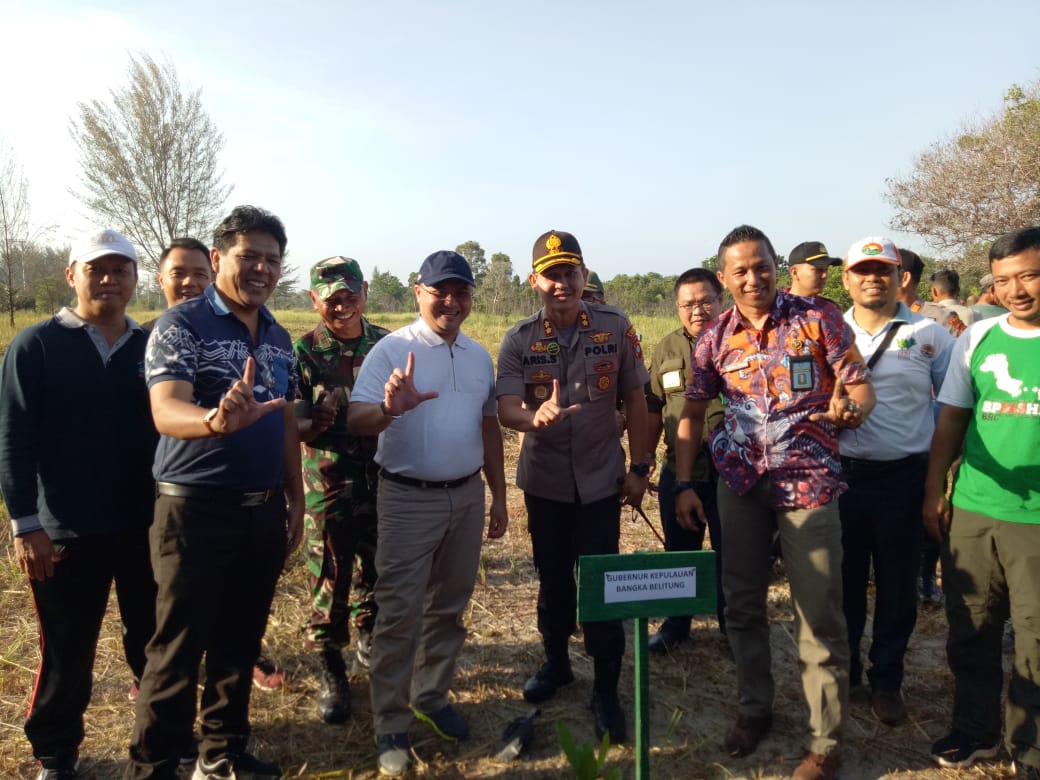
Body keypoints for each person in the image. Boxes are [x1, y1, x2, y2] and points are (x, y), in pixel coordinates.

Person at [675, 224, 875, 780]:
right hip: (741, 484)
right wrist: (684, 482)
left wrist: (851, 410)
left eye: (761, 266)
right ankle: (753, 708)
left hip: (808, 484)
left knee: (819, 613)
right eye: (739, 270)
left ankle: (824, 741)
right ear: (724, 278)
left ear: (775, 266)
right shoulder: (714, 338)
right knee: (742, 605)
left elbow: (860, 388)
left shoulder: (818, 318)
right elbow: (692, 415)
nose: (752, 278)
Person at [126, 205, 304, 780]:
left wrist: (296, 497)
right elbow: (165, 409)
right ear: (218, 257)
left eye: (272, 259)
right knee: (176, 649)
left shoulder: (278, 335)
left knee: (240, 640)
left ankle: (221, 755)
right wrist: (213, 421)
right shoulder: (181, 325)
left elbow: (284, 420)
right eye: (249, 257)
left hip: (261, 509)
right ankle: (155, 767)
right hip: (193, 509)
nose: (261, 269)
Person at [0, 230, 158, 780]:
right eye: (96, 269)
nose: (109, 279)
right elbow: (14, 439)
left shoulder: (151, 347)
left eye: (121, 269)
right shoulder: (36, 345)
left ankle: (161, 739)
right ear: (72, 275)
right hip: (65, 529)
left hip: (144, 526)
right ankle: (56, 753)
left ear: (136, 278)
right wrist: (25, 523)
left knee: (153, 641)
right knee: (67, 650)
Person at [347, 250, 508, 777]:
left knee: (450, 608)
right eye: (441, 291)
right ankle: (390, 722)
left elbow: (488, 427)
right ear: (419, 292)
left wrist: (498, 495)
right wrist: (388, 409)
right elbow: (356, 419)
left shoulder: (478, 356)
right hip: (407, 498)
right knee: (399, 613)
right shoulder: (393, 349)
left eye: (462, 292)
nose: (452, 301)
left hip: (466, 496)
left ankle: (431, 696)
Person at [497, 229, 650, 745]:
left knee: (601, 584)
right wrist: (531, 417)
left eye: (570, 272)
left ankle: (605, 688)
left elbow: (636, 399)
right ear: (533, 281)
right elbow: (507, 406)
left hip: (602, 481)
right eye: (551, 275)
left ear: (584, 276)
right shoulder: (518, 339)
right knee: (554, 579)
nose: (561, 283)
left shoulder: (615, 326)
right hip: (545, 484)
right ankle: (557, 663)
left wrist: (640, 468)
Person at [924, 226, 1040, 776]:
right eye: (1003, 280)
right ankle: (976, 731)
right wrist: (935, 491)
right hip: (974, 507)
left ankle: (1030, 747)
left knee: (1035, 636)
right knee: (971, 625)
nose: (1017, 290)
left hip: (1034, 520)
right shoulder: (978, 338)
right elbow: (951, 419)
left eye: (1030, 276)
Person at [837, 237, 954, 726]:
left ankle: (887, 679)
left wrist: (938, 482)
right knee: (842, 583)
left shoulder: (932, 334)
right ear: (846, 278)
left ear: (899, 276)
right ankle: (846, 675)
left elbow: (952, 408)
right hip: (841, 478)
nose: (872, 279)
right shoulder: (827, 329)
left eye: (882, 270)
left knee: (897, 585)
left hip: (903, 478)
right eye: (862, 270)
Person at [295, 256, 388, 723]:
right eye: (332, 299)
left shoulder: (387, 345)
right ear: (315, 300)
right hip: (328, 484)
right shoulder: (304, 351)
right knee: (330, 576)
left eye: (350, 295)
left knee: (377, 567)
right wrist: (315, 423)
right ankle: (330, 663)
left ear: (364, 292)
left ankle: (369, 635)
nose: (343, 305)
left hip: (382, 478)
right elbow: (294, 426)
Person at [645, 267, 726, 649]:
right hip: (681, 469)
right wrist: (643, 460)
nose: (697, 310)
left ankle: (734, 627)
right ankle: (676, 626)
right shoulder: (667, 349)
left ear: (721, 300)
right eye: (688, 304)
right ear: (677, 307)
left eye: (705, 302)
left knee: (733, 556)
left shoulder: (740, 343)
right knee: (679, 554)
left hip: (731, 472)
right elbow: (653, 408)